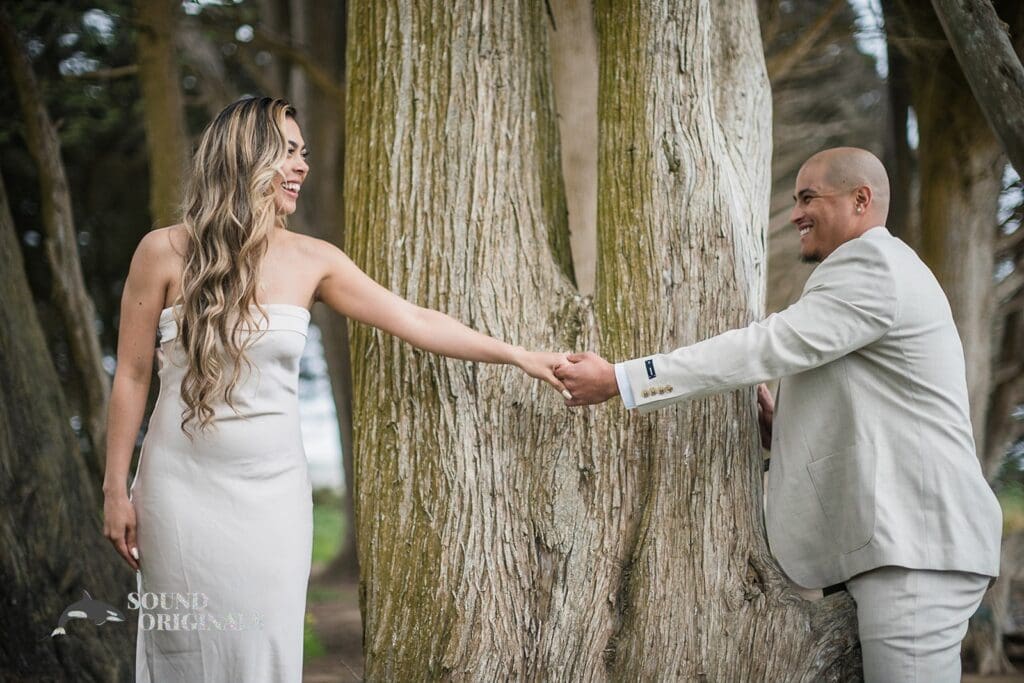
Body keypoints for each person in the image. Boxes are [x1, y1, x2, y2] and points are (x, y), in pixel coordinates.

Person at [102, 96, 570, 682]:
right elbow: (133, 376)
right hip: (177, 496)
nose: (301, 166)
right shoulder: (162, 250)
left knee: (264, 652)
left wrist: (521, 356)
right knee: (183, 655)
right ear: (245, 156)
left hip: (273, 502)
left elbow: (418, 321)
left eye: (304, 154)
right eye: (288, 152)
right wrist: (115, 488)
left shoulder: (313, 261)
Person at [553, 147, 1002, 681]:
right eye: (795, 200)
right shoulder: (879, 273)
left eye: (809, 197)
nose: (794, 214)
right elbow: (870, 402)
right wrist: (784, 431)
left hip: (916, 552)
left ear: (861, 200)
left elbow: (764, 347)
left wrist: (623, 379)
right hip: (896, 549)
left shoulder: (873, 265)